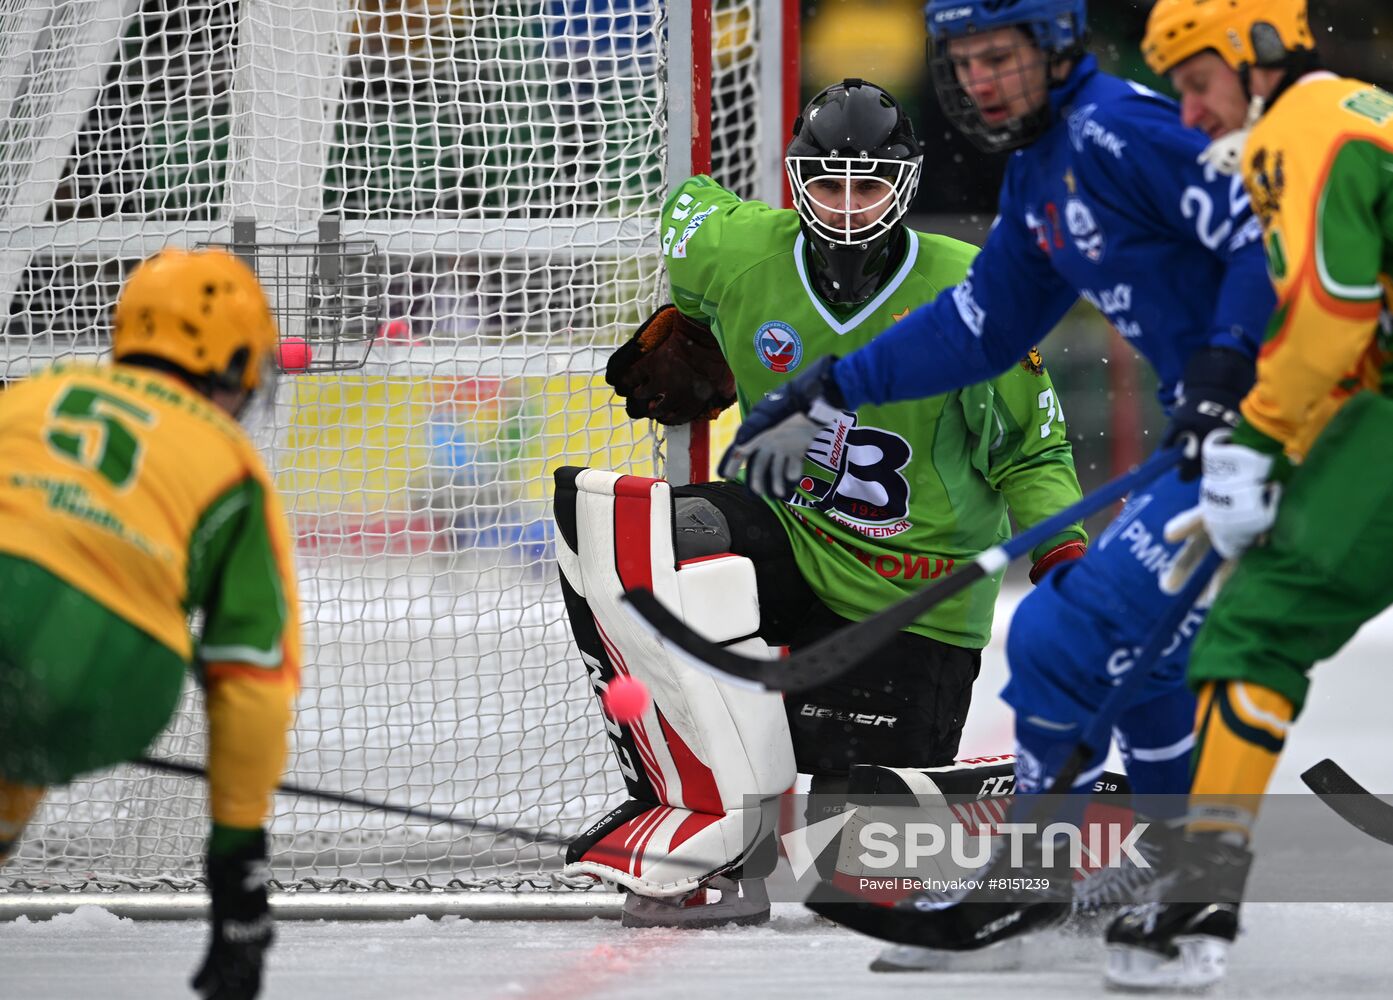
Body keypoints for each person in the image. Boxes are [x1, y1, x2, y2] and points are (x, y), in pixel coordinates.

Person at [717, 0, 1278, 955]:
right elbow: (978, 328)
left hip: (1310, 427)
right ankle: (1138, 876)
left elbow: (1265, 232)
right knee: (1101, 642)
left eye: (1001, 58)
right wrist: (830, 387)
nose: (980, 81)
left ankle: (1129, 875)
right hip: (1237, 432)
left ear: (1057, 49)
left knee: (1090, 632)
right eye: (965, 61)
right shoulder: (1041, 172)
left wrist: (1232, 369)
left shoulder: (1120, 131)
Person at [557, 79, 1086, 950]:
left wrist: (1065, 553)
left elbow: (1031, 452)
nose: (845, 208)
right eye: (827, 184)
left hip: (914, 591)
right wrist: (693, 325)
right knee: (622, 527)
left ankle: (1027, 823)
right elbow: (686, 204)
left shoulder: (973, 294)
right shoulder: (738, 255)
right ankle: (696, 824)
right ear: (796, 180)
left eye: (867, 185)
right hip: (787, 539)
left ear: (906, 185)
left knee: (855, 856)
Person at [1102, 1, 1392, 989]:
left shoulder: (1299, 130)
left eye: (1195, 82)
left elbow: (1328, 322)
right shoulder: (1356, 113)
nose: (1187, 115)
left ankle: (1193, 901)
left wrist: (1255, 444)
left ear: (1257, 54)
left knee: (1251, 634)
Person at [0, 248, 300, 1000]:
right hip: (116, 677)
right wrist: (239, 880)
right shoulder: (232, 463)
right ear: (235, 360)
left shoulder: (34, 395)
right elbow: (252, 673)